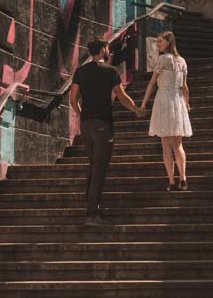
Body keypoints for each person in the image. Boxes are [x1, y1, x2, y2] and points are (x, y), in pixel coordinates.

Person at [69, 37, 140, 223]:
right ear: (102, 50)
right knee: (100, 166)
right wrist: (136, 109)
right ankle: (92, 213)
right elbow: (122, 96)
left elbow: (73, 98)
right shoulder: (111, 72)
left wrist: (81, 114)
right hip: (103, 125)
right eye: (107, 48)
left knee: (93, 163)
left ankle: (89, 200)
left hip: (86, 125)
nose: (109, 50)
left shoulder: (81, 71)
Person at [138, 31, 193, 191]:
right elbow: (185, 87)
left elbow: (152, 83)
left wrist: (143, 104)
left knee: (166, 145)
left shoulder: (162, 59)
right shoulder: (182, 61)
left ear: (168, 42)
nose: (158, 45)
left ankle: (171, 181)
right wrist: (186, 104)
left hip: (163, 100)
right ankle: (183, 179)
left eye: (160, 42)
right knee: (178, 144)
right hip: (178, 101)